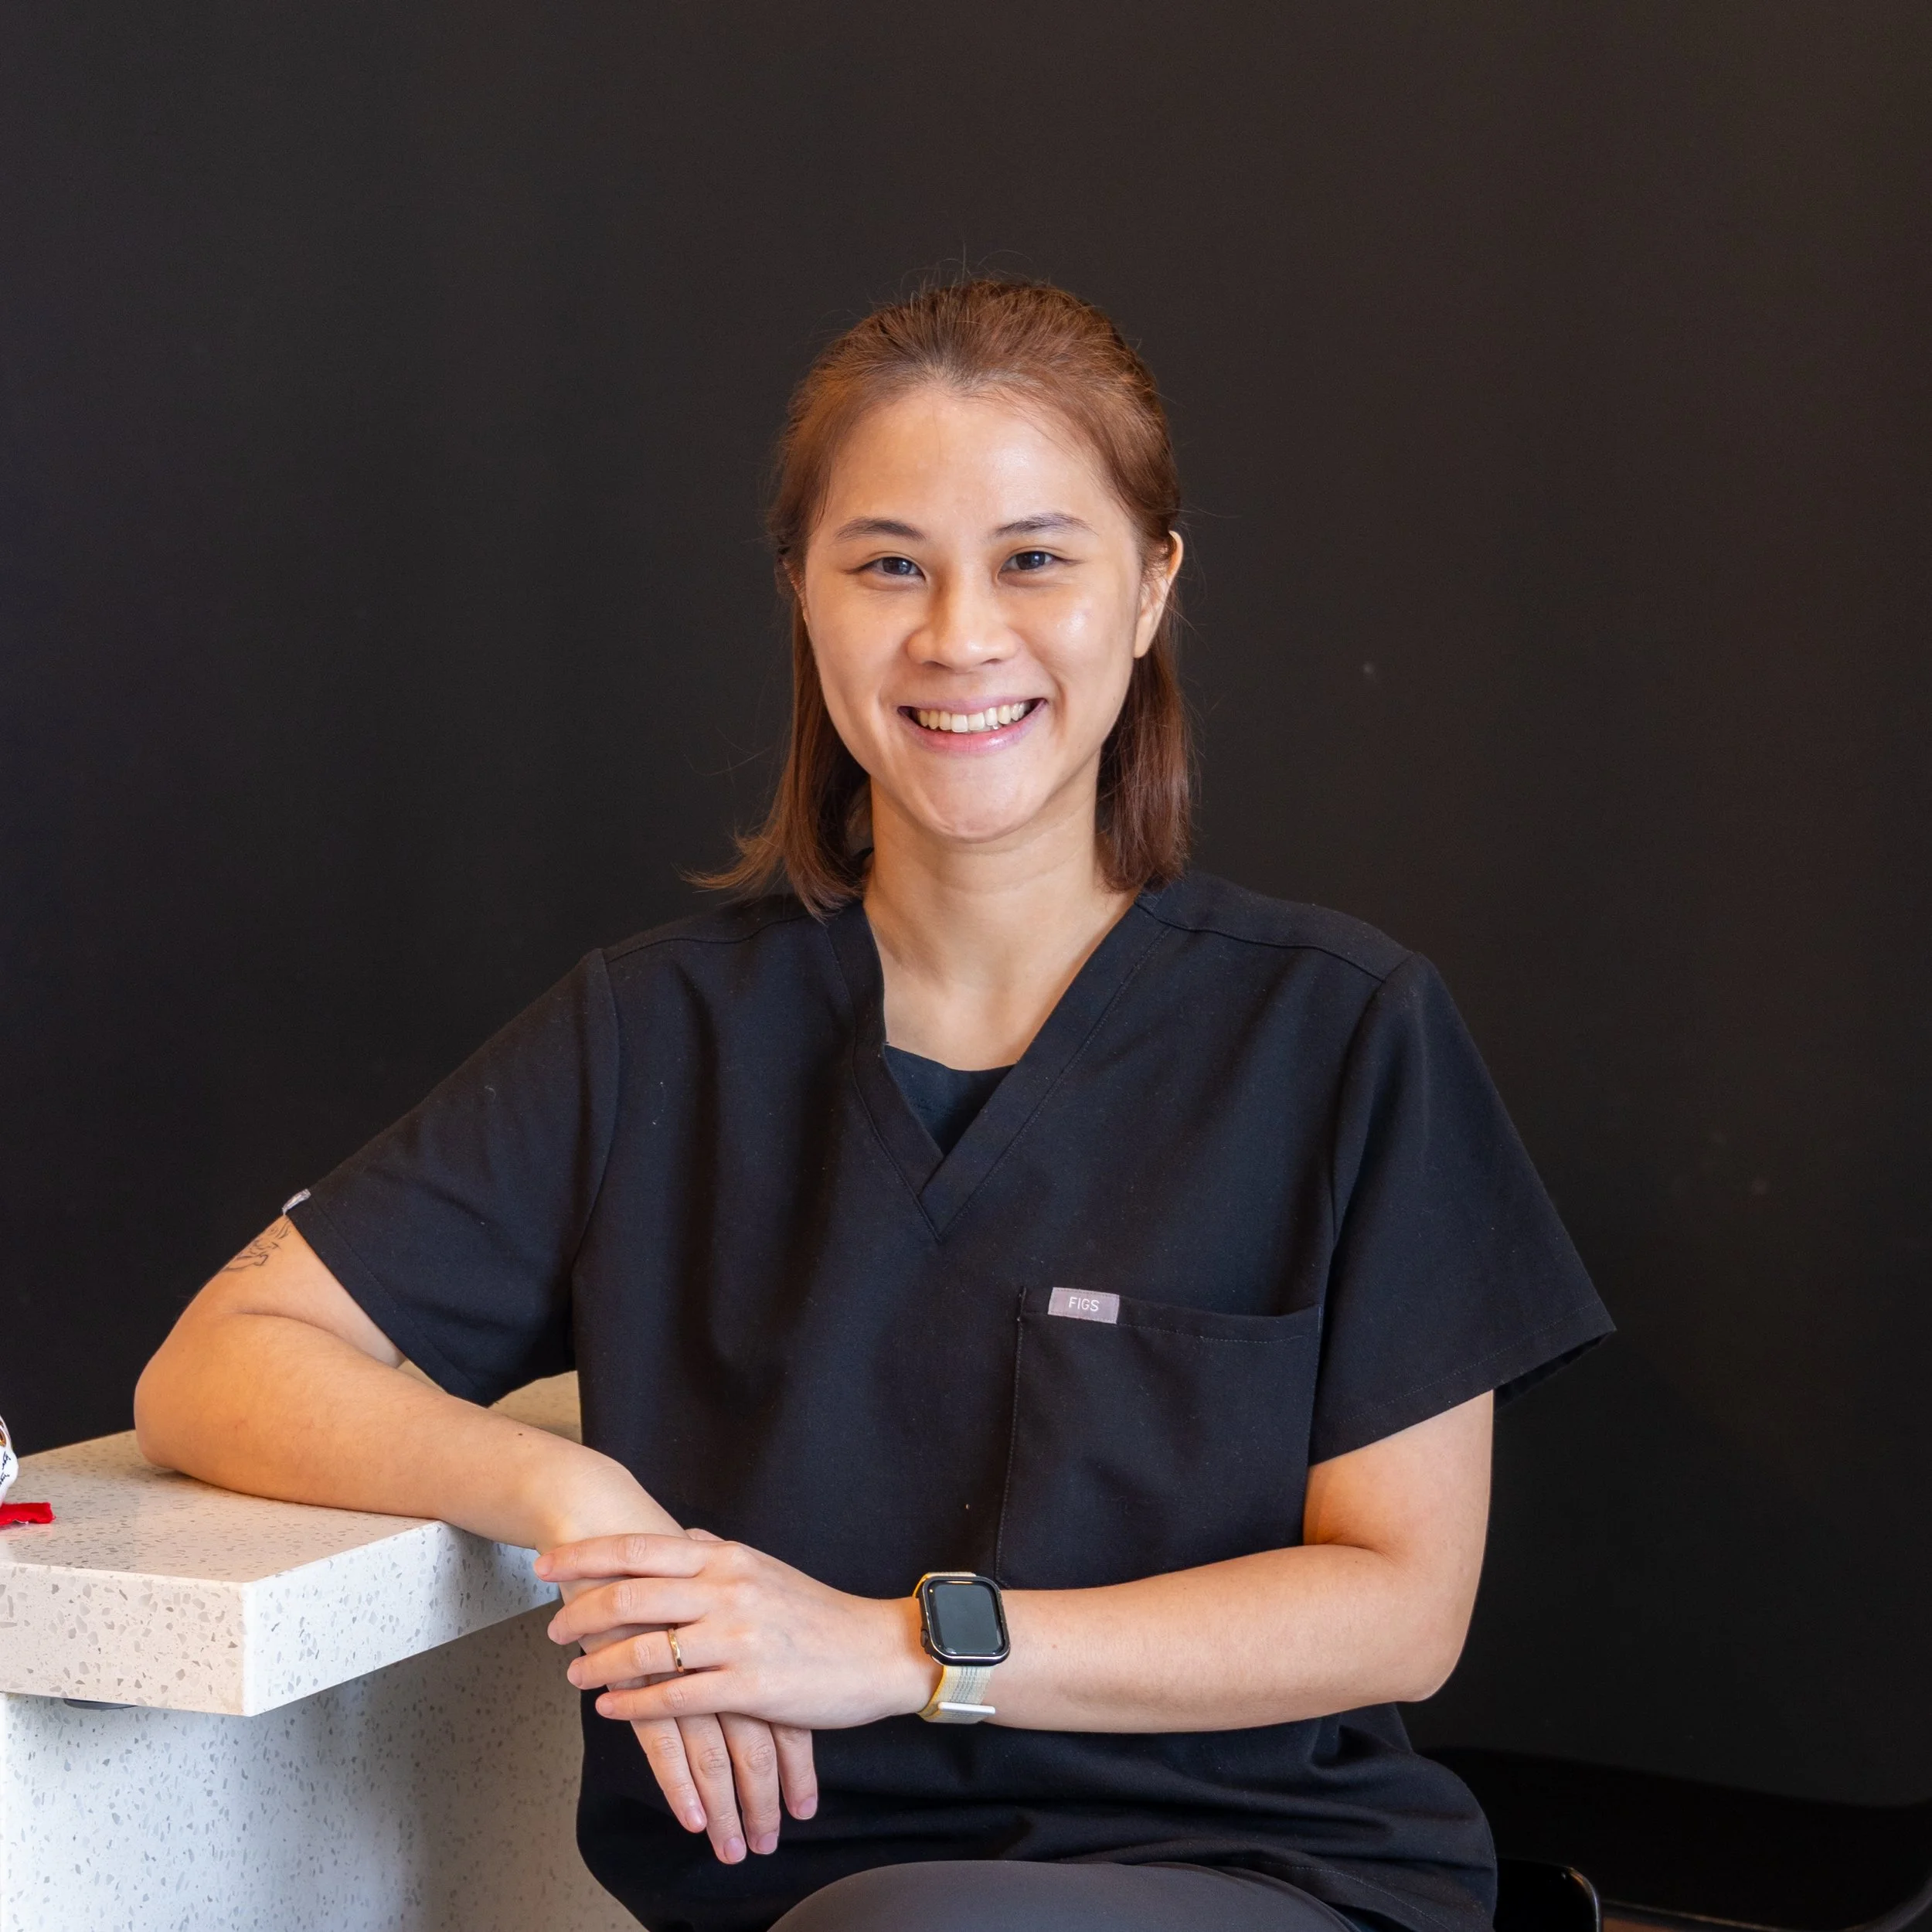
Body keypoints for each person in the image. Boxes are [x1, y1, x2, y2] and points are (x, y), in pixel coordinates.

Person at [135, 278, 1611, 1932]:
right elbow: (220, 1361)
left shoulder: (1339, 1032)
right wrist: (585, 1507)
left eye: (1034, 558)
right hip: (814, 1896)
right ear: (806, 599)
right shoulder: (653, 1033)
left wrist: (895, 1643)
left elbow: (1396, 1607)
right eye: (888, 563)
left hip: (1265, 1872)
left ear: (1150, 589)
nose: (958, 634)